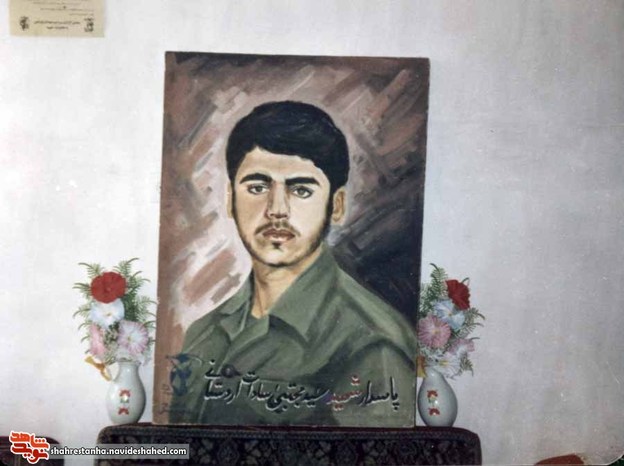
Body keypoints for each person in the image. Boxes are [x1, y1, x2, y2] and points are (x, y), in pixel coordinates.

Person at [169, 101, 417, 426]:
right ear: (230, 200)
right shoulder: (203, 335)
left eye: (300, 190)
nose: (277, 209)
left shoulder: (371, 345)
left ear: (336, 206)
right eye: (257, 187)